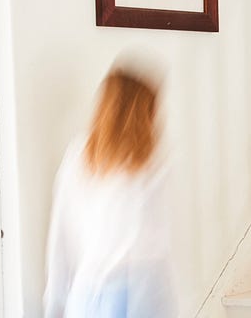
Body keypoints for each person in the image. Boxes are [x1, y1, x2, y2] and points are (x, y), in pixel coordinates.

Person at [44, 63, 176, 318]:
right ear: (142, 111)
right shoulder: (151, 162)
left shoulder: (79, 155)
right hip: (138, 291)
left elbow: (60, 237)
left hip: (87, 292)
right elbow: (157, 244)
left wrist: (55, 303)